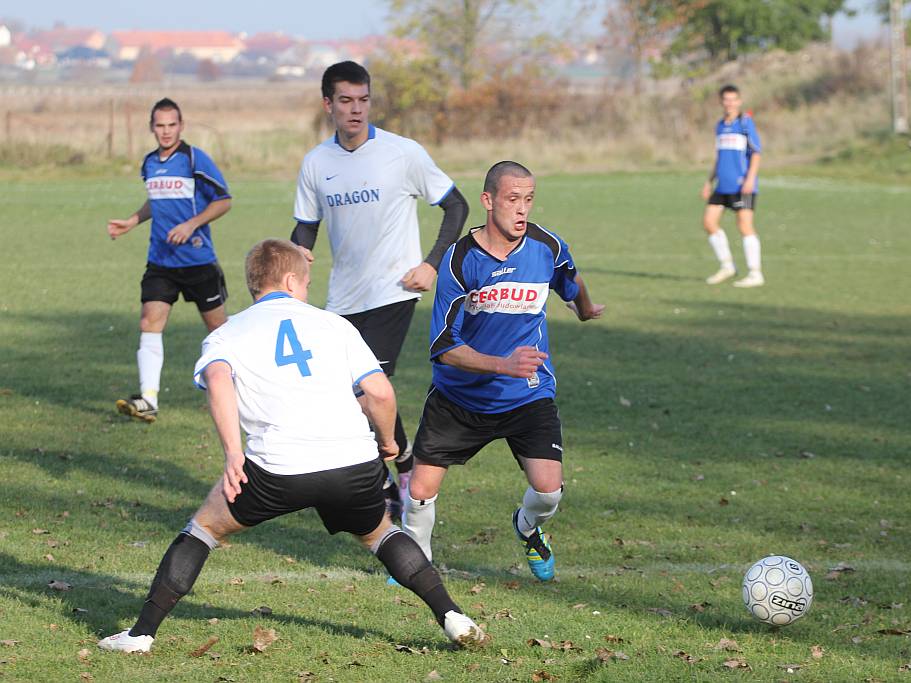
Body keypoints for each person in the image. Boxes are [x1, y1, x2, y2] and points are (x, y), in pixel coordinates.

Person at [97, 240, 487, 654]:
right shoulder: (334, 324)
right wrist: (388, 442)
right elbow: (380, 392)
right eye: (306, 282)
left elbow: (217, 379)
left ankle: (140, 635)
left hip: (279, 468)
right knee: (379, 534)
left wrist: (233, 453)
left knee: (205, 529)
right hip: (352, 462)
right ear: (289, 281)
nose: (307, 290)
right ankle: (451, 616)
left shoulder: (229, 332)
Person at [401, 161, 604, 583]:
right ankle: (414, 561)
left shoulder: (546, 246)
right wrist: (502, 365)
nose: (522, 209)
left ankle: (527, 527)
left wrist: (584, 309)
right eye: (513, 199)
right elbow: (443, 348)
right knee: (419, 493)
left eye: (529, 200)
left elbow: (570, 276)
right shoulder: (461, 260)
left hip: (527, 394)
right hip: (460, 397)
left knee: (548, 491)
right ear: (488, 201)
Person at [290, 61, 469, 512]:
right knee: (348, 396)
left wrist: (431, 264)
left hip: (394, 291)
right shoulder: (316, 163)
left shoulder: (402, 153)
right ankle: (401, 465)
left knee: (368, 389)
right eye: (346, 101)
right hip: (342, 299)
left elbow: (456, 206)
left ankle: (391, 486)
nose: (356, 110)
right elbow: (305, 229)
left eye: (363, 100)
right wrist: (293, 267)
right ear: (328, 104)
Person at [107, 98, 232, 422]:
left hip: (197, 259)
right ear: (152, 128)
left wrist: (192, 224)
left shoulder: (194, 159)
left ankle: (243, 390)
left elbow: (224, 200)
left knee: (219, 330)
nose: (165, 131)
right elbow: (156, 200)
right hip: (161, 260)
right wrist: (133, 220)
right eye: (159, 125)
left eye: (171, 125)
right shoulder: (149, 163)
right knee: (149, 321)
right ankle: (148, 399)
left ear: (181, 126)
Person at [701, 84, 764, 288]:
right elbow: (719, 157)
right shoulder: (720, 125)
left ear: (739, 101)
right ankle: (727, 266)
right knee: (709, 222)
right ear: (721, 102)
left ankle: (755, 273)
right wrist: (709, 181)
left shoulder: (745, 123)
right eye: (726, 99)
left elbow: (755, 153)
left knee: (744, 226)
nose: (729, 103)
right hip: (722, 185)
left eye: (733, 99)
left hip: (741, 185)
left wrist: (749, 179)